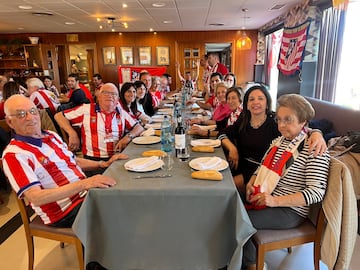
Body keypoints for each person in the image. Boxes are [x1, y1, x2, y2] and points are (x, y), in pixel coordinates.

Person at [2, 94, 126, 227]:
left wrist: (103, 164)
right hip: (64, 211)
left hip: (84, 195)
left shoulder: (51, 136)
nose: (30, 117)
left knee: (124, 192)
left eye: (33, 111)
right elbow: (35, 197)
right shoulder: (14, 154)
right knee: (118, 211)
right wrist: (85, 183)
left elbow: (73, 161)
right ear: (10, 122)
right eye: (21, 114)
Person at [242, 94, 330, 270]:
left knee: (239, 220)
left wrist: (274, 201)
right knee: (233, 209)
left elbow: (316, 193)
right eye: (279, 119)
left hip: (290, 211)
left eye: (288, 120)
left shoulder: (314, 149)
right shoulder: (278, 141)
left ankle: (250, 264)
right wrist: (252, 181)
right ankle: (243, 259)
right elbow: (262, 167)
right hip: (268, 199)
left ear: (303, 121)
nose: (281, 125)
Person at [219, 85, 327, 193]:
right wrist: (232, 148)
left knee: (223, 187)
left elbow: (302, 124)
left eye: (260, 98)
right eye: (251, 99)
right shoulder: (244, 120)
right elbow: (222, 133)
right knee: (216, 179)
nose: (256, 102)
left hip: (259, 171)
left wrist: (316, 133)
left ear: (267, 103)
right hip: (242, 166)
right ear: (246, 104)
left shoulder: (276, 121)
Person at [55, 83, 143, 165]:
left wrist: (128, 137)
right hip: (93, 160)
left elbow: (138, 127)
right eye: (105, 93)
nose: (110, 96)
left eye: (114, 94)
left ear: (118, 100)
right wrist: (72, 133)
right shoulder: (86, 109)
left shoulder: (121, 113)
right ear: (99, 97)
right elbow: (59, 116)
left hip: (117, 157)